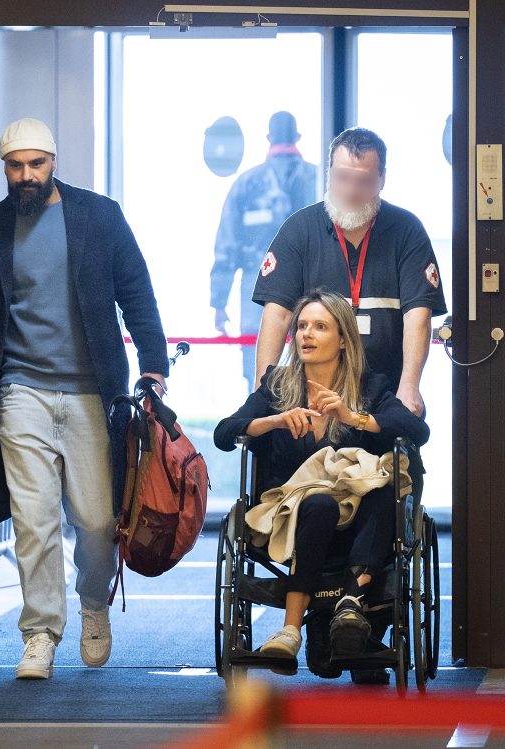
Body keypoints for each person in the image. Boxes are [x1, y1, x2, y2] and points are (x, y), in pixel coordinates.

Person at [0, 118, 168, 679]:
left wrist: (154, 365)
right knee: (33, 519)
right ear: (4, 169)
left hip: (93, 392)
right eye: (15, 167)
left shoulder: (100, 217)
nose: (26, 176)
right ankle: (39, 633)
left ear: (54, 163)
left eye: (36, 165)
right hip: (20, 391)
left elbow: (136, 290)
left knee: (94, 521)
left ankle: (93, 605)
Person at [214, 291, 429, 678]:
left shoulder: (370, 387)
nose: (305, 335)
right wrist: (275, 421)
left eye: (319, 326)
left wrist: (355, 417)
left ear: (344, 339)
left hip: (360, 529)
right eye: (300, 326)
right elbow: (224, 433)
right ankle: (298, 628)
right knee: (320, 503)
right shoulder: (277, 386)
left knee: (385, 489)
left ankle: (348, 604)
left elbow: (417, 430)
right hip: (292, 518)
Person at [252, 127, 447, 418]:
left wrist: (409, 385)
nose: (351, 190)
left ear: (382, 179)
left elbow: (417, 316)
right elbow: (277, 314)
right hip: (311, 397)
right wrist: (260, 390)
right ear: (328, 173)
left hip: (384, 393)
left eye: (363, 181)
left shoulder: (407, 231)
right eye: (342, 178)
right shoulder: (298, 230)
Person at [210, 111, 317, 391]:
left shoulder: (246, 184)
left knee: (259, 380)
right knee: (316, 375)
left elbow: (227, 246)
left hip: (256, 292)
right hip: (314, 290)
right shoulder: (318, 179)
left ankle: (261, 429)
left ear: (268, 138)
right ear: (298, 137)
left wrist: (219, 304)